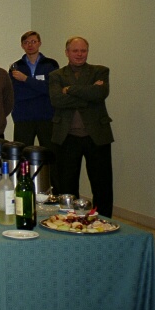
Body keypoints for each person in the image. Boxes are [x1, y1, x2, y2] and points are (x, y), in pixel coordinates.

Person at [49, 37, 114, 217]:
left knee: (102, 185)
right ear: (67, 52)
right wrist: (88, 93)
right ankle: (69, 220)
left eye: (83, 51)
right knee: (67, 185)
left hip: (97, 136)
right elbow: (57, 100)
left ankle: (103, 220)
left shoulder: (100, 71)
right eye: (75, 51)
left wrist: (69, 90)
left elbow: (100, 94)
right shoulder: (56, 75)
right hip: (66, 137)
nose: (79, 54)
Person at [9, 31, 60, 185]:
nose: (30, 45)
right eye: (26, 42)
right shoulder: (15, 66)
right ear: (22, 45)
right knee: (21, 156)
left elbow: (52, 89)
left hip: (47, 117)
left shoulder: (51, 64)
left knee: (51, 156)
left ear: (39, 43)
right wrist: (40, 89)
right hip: (23, 118)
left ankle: (54, 190)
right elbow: (17, 93)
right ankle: (22, 188)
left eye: (33, 41)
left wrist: (26, 80)